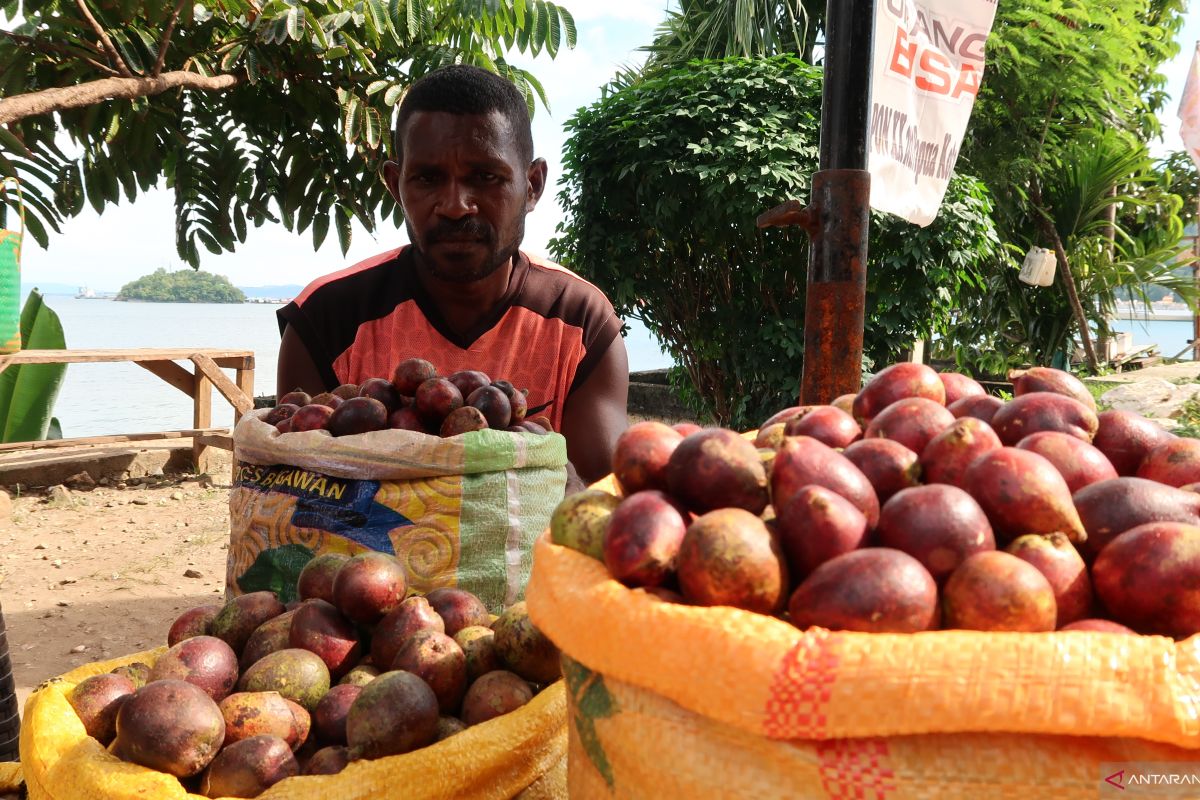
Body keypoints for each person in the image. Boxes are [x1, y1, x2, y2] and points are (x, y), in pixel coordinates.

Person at [276, 64, 629, 485]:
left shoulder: (580, 321)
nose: (456, 205)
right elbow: (294, 496)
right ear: (395, 185)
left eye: (485, 177)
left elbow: (602, 499)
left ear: (532, 186)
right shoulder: (327, 318)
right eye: (428, 178)